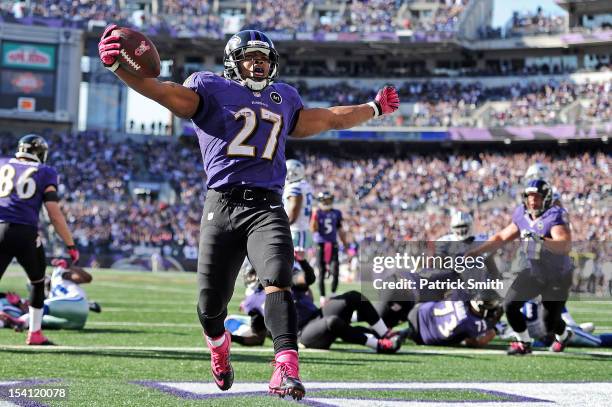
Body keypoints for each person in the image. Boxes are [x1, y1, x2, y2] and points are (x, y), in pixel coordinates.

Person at [98, 27, 399, 399]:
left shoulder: (283, 97)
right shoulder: (209, 87)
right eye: (250, 57)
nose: (258, 64)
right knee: (210, 305)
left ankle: (285, 366)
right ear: (232, 63)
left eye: (263, 57)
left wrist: (374, 108)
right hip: (222, 205)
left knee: (278, 278)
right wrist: (118, 68)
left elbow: (331, 118)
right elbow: (161, 91)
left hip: (267, 205)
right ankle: (219, 346)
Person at [467, 179, 573, 355]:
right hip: (535, 271)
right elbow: (502, 237)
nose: (532, 201)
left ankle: (563, 336)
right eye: (529, 197)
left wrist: (540, 240)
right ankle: (523, 342)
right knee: (510, 304)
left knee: (548, 324)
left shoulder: (554, 215)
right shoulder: (522, 214)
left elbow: (564, 245)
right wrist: (476, 252)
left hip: (557, 276)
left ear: (546, 198)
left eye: (537, 197)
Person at [0, 134, 80, 345]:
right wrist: (70, 244)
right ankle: (35, 333)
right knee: (37, 282)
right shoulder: (45, 171)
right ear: (40, 153)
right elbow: (53, 213)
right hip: (25, 232)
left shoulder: (3, 163)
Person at [20, 259, 100, 330]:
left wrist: (69, 267)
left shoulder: (59, 277)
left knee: (38, 306)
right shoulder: (50, 297)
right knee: (40, 318)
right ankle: (17, 323)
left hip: (78, 303)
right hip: (73, 324)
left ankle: (21, 321)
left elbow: (87, 278)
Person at [310, 191, 347, 306]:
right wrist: (315, 216)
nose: (327, 202)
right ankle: (322, 297)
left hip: (333, 243)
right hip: (320, 244)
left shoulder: (336, 213)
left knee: (335, 269)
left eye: (329, 200)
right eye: (325, 200)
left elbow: (340, 229)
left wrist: (345, 243)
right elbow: (313, 229)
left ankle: (333, 294)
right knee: (321, 271)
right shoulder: (317, 212)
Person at [283, 159, 314, 255]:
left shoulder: (294, 188)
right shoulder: (305, 185)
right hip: (303, 229)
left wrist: (283, 227)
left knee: (294, 264)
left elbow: (294, 211)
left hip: (296, 231)